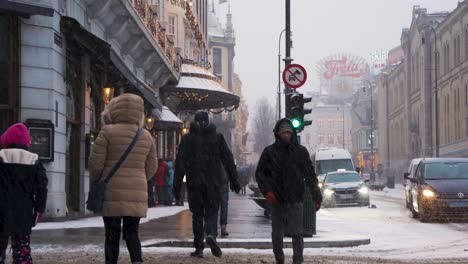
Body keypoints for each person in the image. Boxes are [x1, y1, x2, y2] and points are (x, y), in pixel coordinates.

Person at [89, 93, 157, 264]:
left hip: (111, 192)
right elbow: (152, 168)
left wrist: (98, 180)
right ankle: (137, 261)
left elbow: (96, 164)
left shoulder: (107, 132)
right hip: (136, 193)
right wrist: (139, 177)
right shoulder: (146, 136)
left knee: (111, 236)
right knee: (132, 233)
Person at [173, 111, 241, 258]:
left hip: (194, 184)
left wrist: (177, 187)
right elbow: (228, 160)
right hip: (213, 183)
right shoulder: (217, 138)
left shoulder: (187, 139)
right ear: (208, 122)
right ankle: (210, 234)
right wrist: (235, 181)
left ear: (194, 122)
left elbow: (179, 164)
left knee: (197, 215)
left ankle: (198, 248)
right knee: (211, 213)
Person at [255, 118, 323, 264]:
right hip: (277, 199)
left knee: (297, 233)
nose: (286, 135)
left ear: (292, 133)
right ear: (278, 134)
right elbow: (260, 174)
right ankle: (279, 259)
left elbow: (310, 175)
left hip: (295, 198)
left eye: (288, 132)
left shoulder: (300, 152)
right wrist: (268, 191)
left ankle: (297, 261)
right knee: (277, 234)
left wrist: (317, 196)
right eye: (284, 132)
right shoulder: (269, 152)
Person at [0, 123, 48, 264]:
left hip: (1, 211)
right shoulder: (34, 160)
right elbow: (41, 188)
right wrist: (39, 210)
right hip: (24, 213)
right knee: (22, 250)